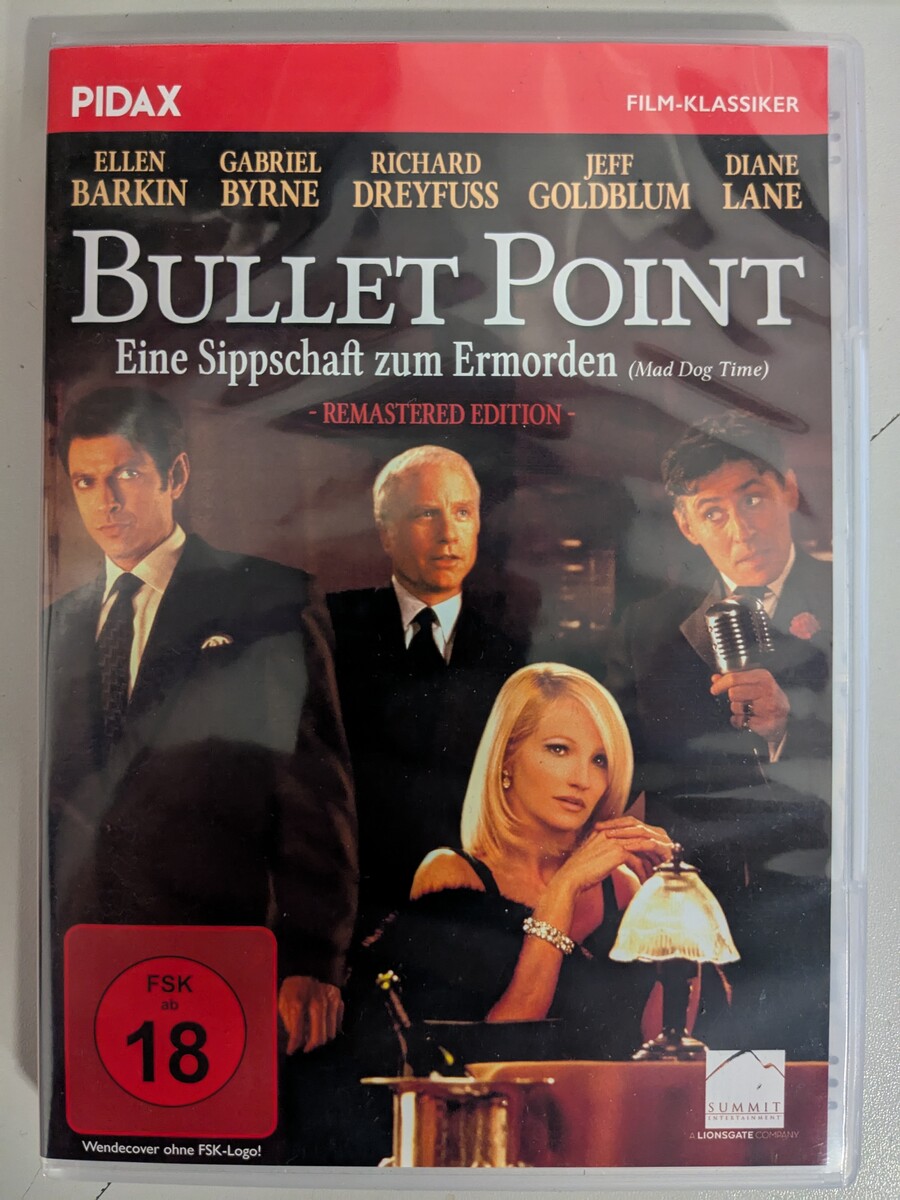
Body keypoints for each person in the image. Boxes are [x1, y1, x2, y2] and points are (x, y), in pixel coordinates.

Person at [44, 386, 357, 1063]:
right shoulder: (54, 629)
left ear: (176, 475)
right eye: (86, 481)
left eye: (127, 474)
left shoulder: (267, 600)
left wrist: (314, 960)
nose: (107, 501)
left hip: (219, 961)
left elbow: (313, 791)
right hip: (79, 971)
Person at [287, 664, 672, 1166]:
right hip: (491, 1152)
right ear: (507, 758)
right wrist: (563, 890)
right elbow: (487, 1065)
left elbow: (667, 1052)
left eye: (600, 760)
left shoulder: (623, 888)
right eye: (559, 749)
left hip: (607, 1148)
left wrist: (674, 899)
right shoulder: (452, 877)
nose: (582, 778)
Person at [611, 413, 831, 1055]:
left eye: (753, 498)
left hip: (822, 919)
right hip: (694, 928)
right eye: (713, 512)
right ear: (686, 524)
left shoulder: (862, 600)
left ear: (789, 490)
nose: (741, 530)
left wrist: (791, 726)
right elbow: (622, 769)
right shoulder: (645, 630)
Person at [327, 445, 526, 931]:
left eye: (462, 513)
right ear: (386, 533)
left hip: (471, 908)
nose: (448, 533)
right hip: (350, 901)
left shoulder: (512, 652)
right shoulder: (331, 629)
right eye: (426, 514)